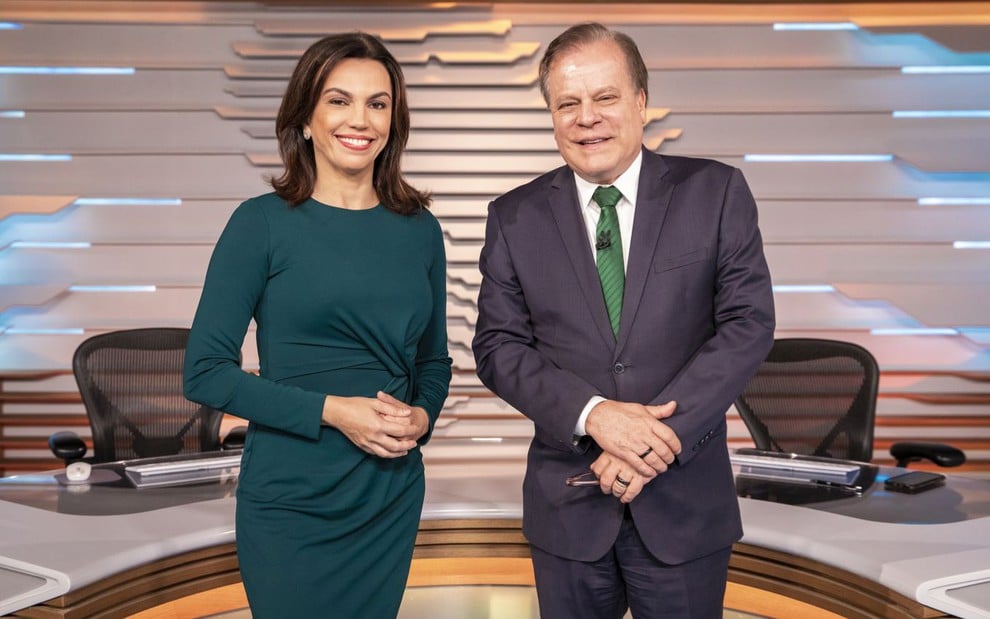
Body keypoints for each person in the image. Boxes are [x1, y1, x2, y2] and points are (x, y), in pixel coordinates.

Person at [472, 22, 775, 619]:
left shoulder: (714, 192)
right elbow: (498, 347)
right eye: (568, 103)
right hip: (569, 511)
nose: (588, 117)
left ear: (640, 101)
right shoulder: (514, 217)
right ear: (553, 115)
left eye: (605, 97)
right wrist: (596, 417)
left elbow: (746, 325)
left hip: (686, 507)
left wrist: (651, 443)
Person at [183, 32, 451, 618]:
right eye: (339, 100)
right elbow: (204, 373)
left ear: (393, 120)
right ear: (306, 117)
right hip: (292, 500)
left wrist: (422, 416)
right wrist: (335, 410)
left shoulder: (420, 230)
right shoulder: (260, 225)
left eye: (377, 103)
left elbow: (434, 362)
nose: (360, 119)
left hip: (389, 493)